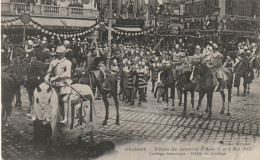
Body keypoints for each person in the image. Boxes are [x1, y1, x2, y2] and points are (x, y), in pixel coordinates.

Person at [44, 45, 72, 125]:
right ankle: (48, 115)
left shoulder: (67, 62)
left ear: (63, 54)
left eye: (60, 53)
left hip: (64, 83)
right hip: (54, 84)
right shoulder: (53, 62)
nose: (58, 54)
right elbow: (49, 71)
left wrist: (57, 77)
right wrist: (47, 76)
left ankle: (65, 118)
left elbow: (68, 73)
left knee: (64, 99)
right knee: (48, 98)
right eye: (57, 53)